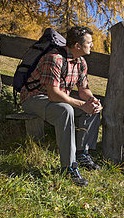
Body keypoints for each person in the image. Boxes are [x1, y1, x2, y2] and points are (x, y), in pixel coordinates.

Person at [20, 26, 102, 186]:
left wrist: (91, 100)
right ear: (77, 46)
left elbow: (83, 89)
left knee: (92, 108)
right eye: (89, 42)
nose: (92, 45)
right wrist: (81, 104)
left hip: (54, 99)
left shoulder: (81, 62)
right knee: (66, 110)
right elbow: (53, 94)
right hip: (33, 99)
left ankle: (81, 153)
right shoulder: (54, 58)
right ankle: (69, 167)